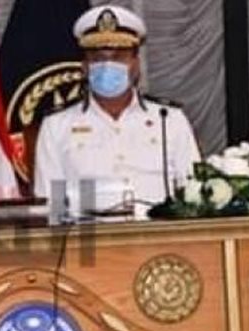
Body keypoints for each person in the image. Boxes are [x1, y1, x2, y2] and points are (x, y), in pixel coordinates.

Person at [33, 5, 201, 218]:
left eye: (119, 57)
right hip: (89, 234)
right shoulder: (57, 126)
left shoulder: (169, 120)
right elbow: (52, 206)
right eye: (98, 58)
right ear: (84, 67)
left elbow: (195, 195)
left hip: (157, 232)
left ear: (136, 65)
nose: (107, 65)